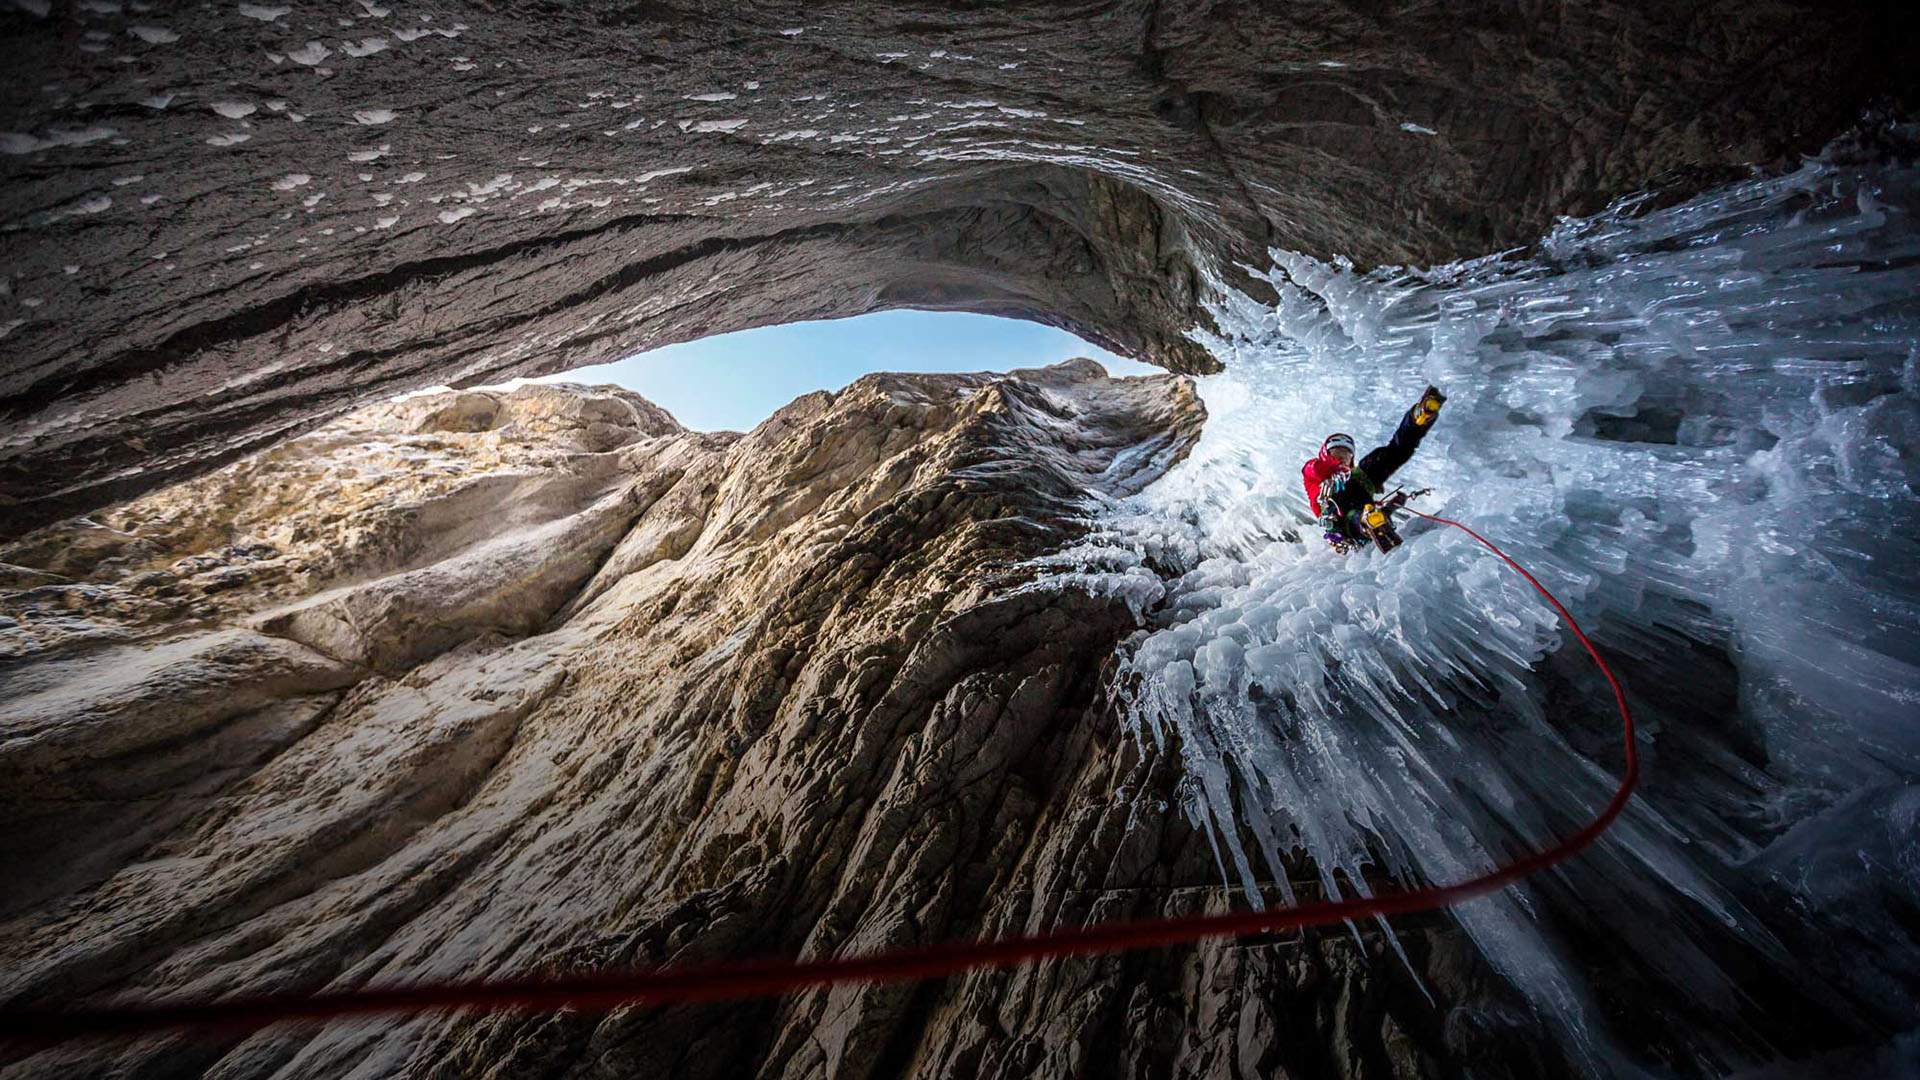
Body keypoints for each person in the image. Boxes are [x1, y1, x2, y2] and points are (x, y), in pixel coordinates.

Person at [1302, 386, 1446, 551]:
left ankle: (1418, 418)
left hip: (1359, 493)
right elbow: (1313, 469)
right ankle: (1368, 521)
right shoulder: (1314, 470)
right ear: (1325, 454)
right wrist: (1336, 467)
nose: (1342, 458)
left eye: (1346, 455)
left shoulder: (1353, 473)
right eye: (1336, 453)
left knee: (1394, 452)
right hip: (1340, 517)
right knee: (1351, 516)